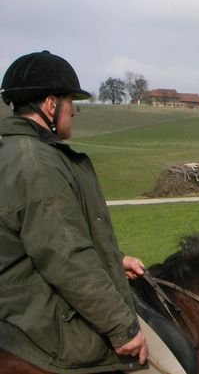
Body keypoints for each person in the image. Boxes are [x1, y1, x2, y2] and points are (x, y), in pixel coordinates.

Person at [0, 51, 185, 373]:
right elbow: (66, 255)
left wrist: (116, 260)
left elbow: (47, 234)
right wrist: (121, 327)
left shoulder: (15, 152)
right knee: (171, 369)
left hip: (24, 307)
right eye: (70, 100)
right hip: (47, 321)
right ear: (50, 104)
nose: (74, 110)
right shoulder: (37, 164)